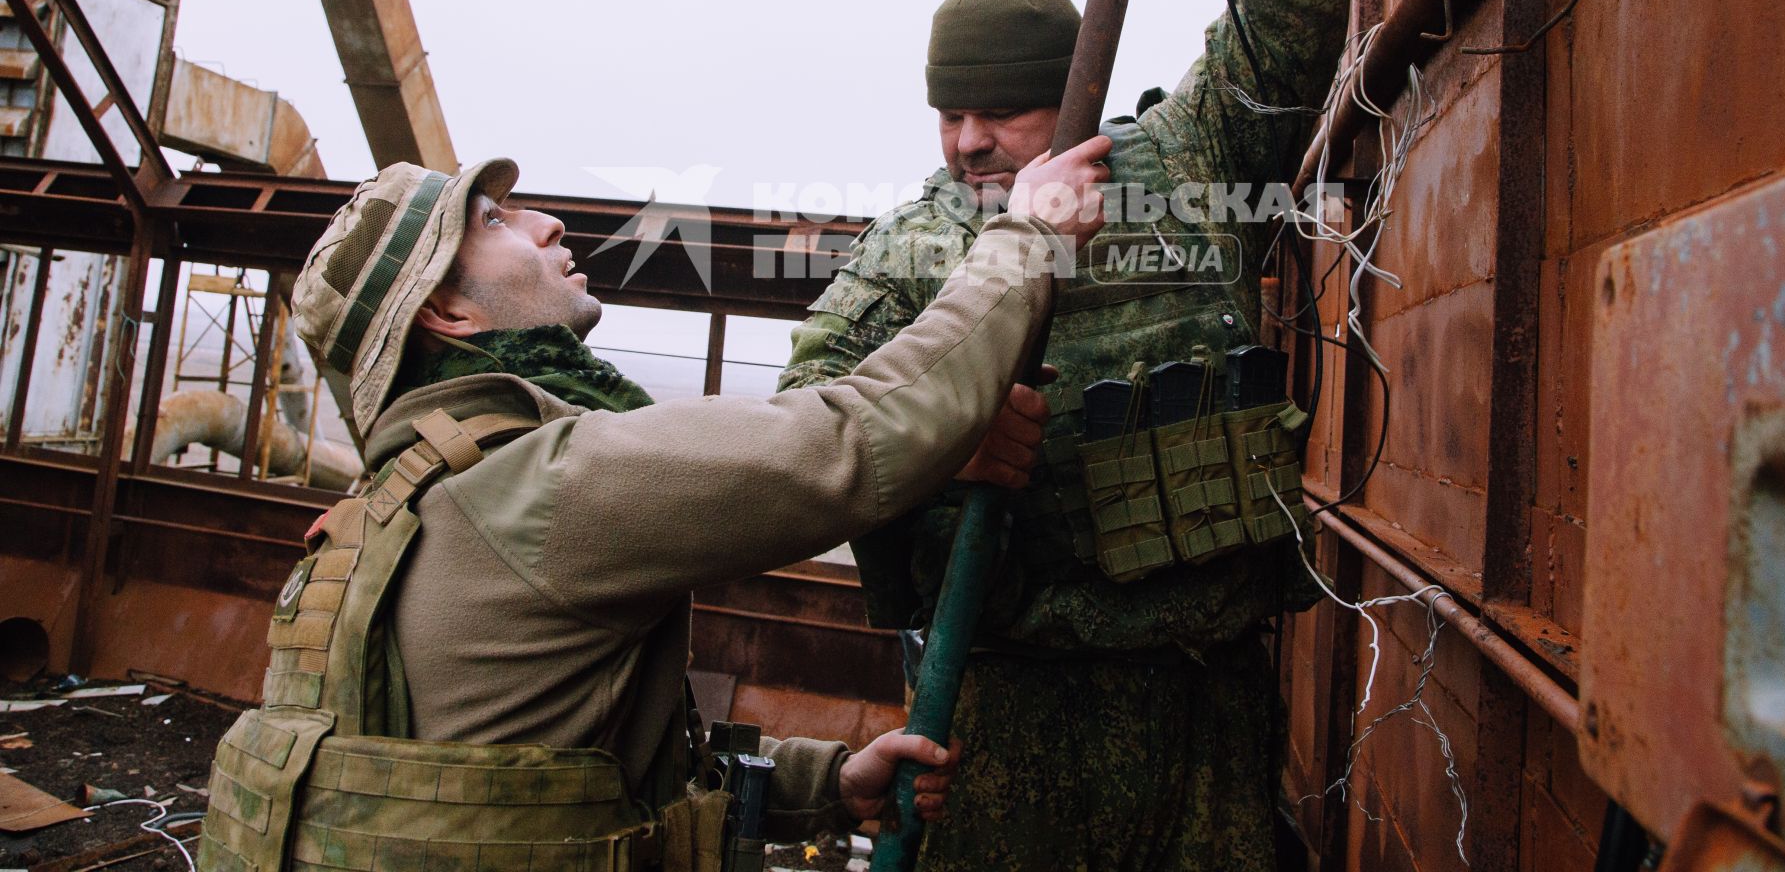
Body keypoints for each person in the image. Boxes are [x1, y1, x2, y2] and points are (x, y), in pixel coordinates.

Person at [777, 0, 1350, 871]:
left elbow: (1297, 14)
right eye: (951, 112)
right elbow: (803, 425)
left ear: (1068, 96)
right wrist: (936, 436)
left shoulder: (1189, 161)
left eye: (1004, 110)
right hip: (1005, 704)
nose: (972, 139)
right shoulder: (918, 239)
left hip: (1201, 699)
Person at [198, 139, 1109, 872]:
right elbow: (852, 441)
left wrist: (824, 783)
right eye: (495, 219)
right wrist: (1023, 237)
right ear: (448, 315)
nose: (548, 222)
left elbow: (563, 759)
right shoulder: (540, 486)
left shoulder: (392, 506)